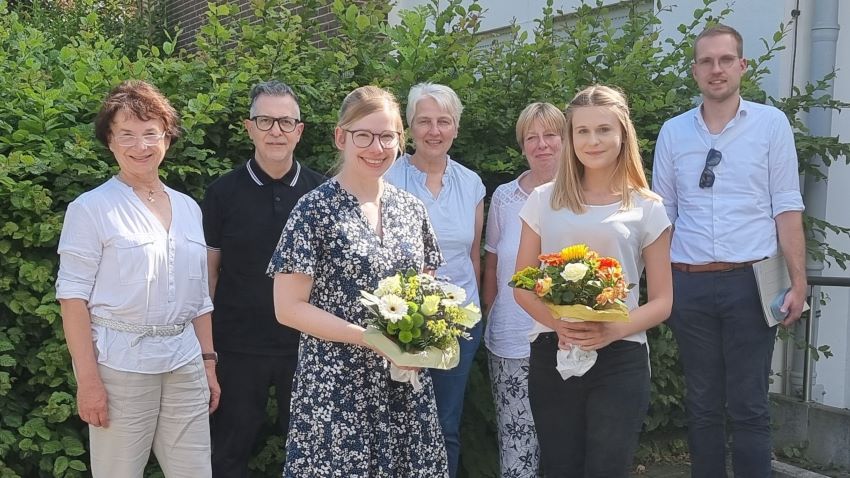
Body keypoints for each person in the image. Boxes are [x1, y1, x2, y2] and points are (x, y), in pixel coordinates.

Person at [267, 85, 449, 477]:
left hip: (403, 384)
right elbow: (288, 308)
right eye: (363, 135)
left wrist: (425, 340)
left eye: (387, 136)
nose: (376, 147)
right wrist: (368, 337)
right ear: (341, 137)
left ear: (400, 141)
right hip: (336, 385)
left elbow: (426, 289)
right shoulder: (314, 210)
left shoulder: (410, 209)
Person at [652, 24, 807, 478]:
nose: (716, 69)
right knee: (700, 405)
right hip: (690, 283)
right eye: (706, 61)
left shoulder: (770, 124)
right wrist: (661, 286)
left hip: (752, 283)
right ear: (696, 70)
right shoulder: (673, 132)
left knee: (749, 405)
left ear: (742, 65)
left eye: (725, 60)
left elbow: (787, 205)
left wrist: (799, 280)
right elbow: (663, 216)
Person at [55, 80, 219, 477]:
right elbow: (72, 297)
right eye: (126, 134)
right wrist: (88, 381)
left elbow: (199, 299)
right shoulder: (91, 208)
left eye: (150, 133)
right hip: (119, 366)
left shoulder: (188, 208)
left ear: (167, 138)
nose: (140, 146)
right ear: (109, 141)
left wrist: (208, 363)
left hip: (184, 363)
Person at [514, 85, 673, 477]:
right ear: (570, 138)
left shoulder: (647, 207)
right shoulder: (542, 200)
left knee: (607, 468)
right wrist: (560, 324)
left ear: (623, 135)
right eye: (582, 131)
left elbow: (663, 301)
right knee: (558, 467)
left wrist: (607, 332)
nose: (593, 140)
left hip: (621, 357)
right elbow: (521, 285)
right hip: (553, 351)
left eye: (604, 130)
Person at [201, 80, 325, 477]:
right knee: (228, 452)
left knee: (310, 454)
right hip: (237, 347)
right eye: (265, 120)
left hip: (307, 346)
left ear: (300, 130)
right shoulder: (222, 193)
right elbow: (209, 276)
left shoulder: (322, 193)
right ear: (248, 127)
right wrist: (208, 348)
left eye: (286, 122)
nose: (276, 131)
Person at [384, 82, 485, 477]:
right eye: (424, 121)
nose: (434, 130)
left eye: (444, 121)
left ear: (456, 128)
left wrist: (475, 316)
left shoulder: (471, 183)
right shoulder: (388, 178)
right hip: (398, 325)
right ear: (409, 128)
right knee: (395, 424)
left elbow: (472, 255)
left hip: (458, 324)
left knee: (445, 424)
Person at [481, 102, 565, 477]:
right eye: (532, 137)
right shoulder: (504, 197)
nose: (541, 144)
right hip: (512, 338)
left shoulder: (583, 196)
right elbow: (493, 263)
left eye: (550, 135)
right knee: (517, 446)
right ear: (522, 145)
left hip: (568, 338)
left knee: (565, 445)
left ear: (565, 141)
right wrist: (488, 313)